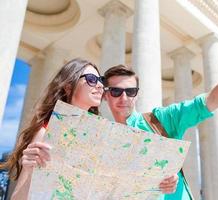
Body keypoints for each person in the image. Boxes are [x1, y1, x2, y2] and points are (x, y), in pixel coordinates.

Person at [102, 17, 218, 200]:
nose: (124, 98)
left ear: (137, 94)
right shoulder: (102, 141)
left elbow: (214, 99)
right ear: (105, 94)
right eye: (116, 91)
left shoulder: (159, 120)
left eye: (131, 91)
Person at [0, 58, 178, 199]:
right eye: (92, 80)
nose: (100, 85)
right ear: (69, 87)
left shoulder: (102, 138)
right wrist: (29, 168)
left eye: (100, 80)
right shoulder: (47, 131)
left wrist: (161, 181)